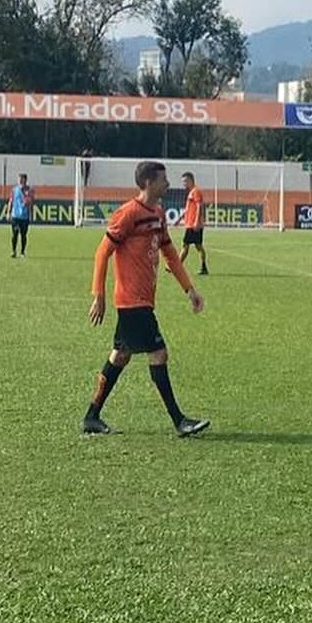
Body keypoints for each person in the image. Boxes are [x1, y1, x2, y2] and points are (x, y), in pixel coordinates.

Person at [83, 160, 210, 437]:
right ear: (149, 183)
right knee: (158, 353)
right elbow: (101, 252)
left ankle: (92, 416)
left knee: (120, 356)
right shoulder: (127, 214)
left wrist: (189, 289)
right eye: (163, 179)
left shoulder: (158, 214)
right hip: (131, 300)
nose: (168, 184)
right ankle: (179, 421)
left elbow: (170, 254)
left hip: (143, 300)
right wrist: (99, 296)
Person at [178, 171, 209, 276]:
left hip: (193, 225)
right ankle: (204, 267)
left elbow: (200, 206)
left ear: (191, 180)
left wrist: (196, 222)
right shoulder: (191, 192)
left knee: (185, 245)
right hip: (190, 224)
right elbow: (188, 209)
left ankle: (176, 267)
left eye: (185, 181)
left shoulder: (196, 191)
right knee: (198, 246)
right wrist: (180, 218)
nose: (184, 184)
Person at [9, 173, 34, 258]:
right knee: (15, 233)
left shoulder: (30, 190)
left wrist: (31, 214)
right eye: (19, 179)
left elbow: (31, 203)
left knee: (23, 235)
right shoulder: (14, 190)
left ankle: (22, 252)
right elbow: (10, 201)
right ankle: (13, 251)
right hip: (15, 216)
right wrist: (8, 213)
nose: (20, 181)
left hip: (24, 216)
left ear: (25, 180)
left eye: (22, 179)